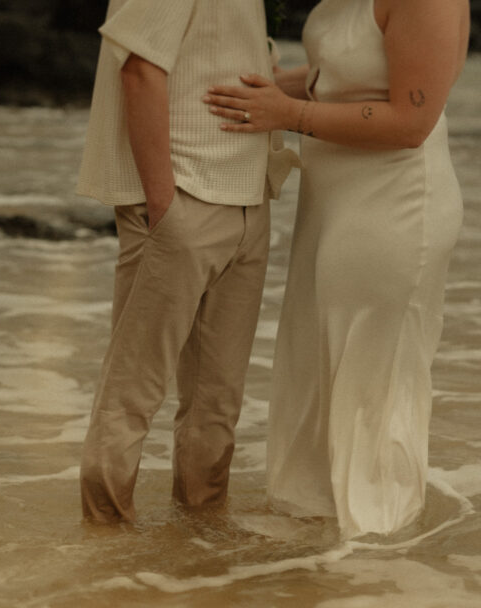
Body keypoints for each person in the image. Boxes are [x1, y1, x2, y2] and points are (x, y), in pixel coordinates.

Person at [205, 0, 470, 538]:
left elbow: (410, 121)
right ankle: (317, 557)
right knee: (317, 371)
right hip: (332, 203)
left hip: (394, 204)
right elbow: (343, 72)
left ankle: (377, 568)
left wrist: (287, 114)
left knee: (374, 383)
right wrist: (274, 85)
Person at [76, 0, 295, 523]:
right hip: (185, 195)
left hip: (247, 196)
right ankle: (104, 552)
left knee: (216, 404)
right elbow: (139, 67)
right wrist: (162, 204)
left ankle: (199, 547)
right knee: (132, 393)